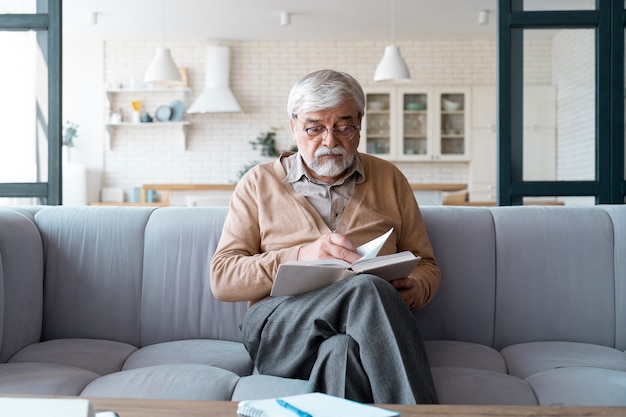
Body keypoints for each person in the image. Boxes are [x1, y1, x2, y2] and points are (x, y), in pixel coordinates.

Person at [210, 69, 440, 404]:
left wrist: (416, 288)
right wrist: (299, 256)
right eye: (314, 128)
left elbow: (427, 265)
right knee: (365, 288)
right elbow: (222, 278)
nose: (330, 141)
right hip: (281, 328)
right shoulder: (258, 183)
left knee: (342, 352)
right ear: (293, 127)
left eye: (344, 127)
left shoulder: (390, 179)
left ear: (360, 124)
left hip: (364, 331)